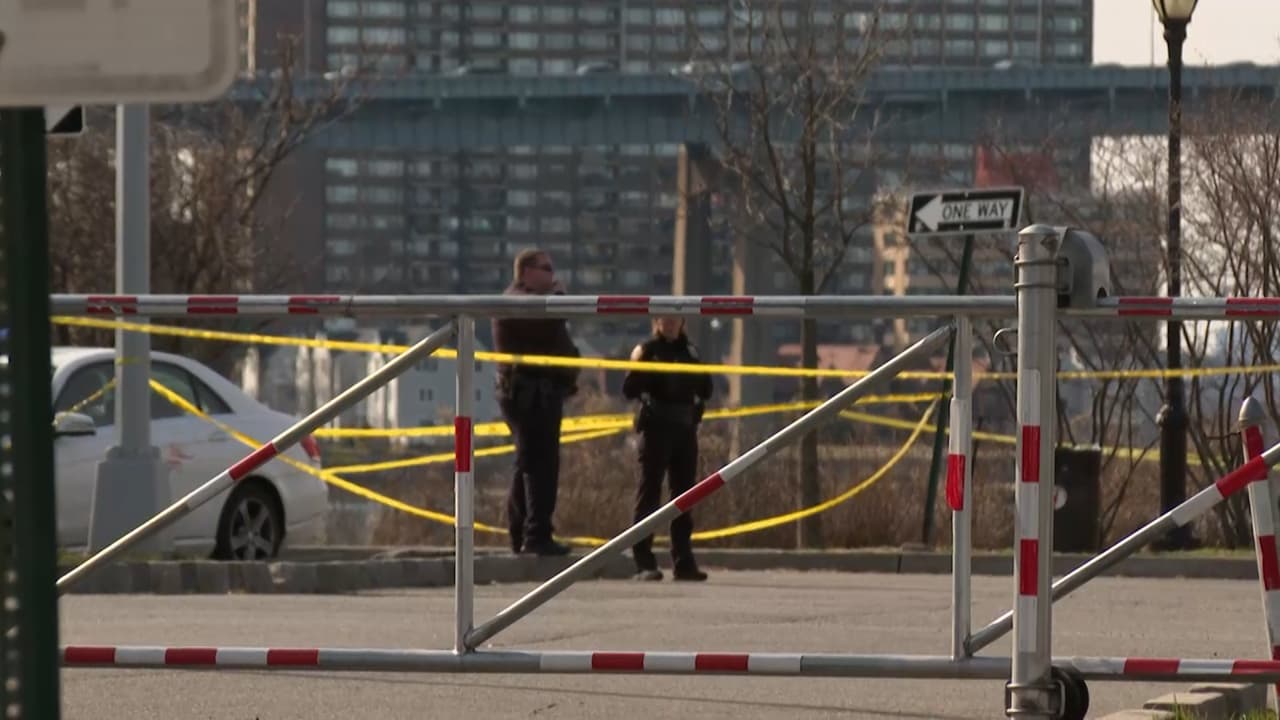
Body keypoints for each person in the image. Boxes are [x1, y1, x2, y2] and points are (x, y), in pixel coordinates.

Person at [492, 248, 580, 556]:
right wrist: (558, 299)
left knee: (531, 465)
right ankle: (534, 534)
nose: (553, 275)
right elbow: (539, 322)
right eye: (547, 268)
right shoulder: (516, 299)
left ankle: (528, 532)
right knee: (535, 466)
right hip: (526, 395)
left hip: (544, 393)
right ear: (528, 271)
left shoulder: (538, 303)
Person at [621, 316, 713, 581]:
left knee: (685, 496)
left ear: (683, 322)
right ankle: (643, 562)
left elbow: (706, 388)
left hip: (685, 430)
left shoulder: (690, 352)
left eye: (675, 319)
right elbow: (629, 389)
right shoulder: (647, 350)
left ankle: (684, 562)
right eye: (665, 319)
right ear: (656, 322)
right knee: (649, 494)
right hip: (656, 430)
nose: (670, 324)